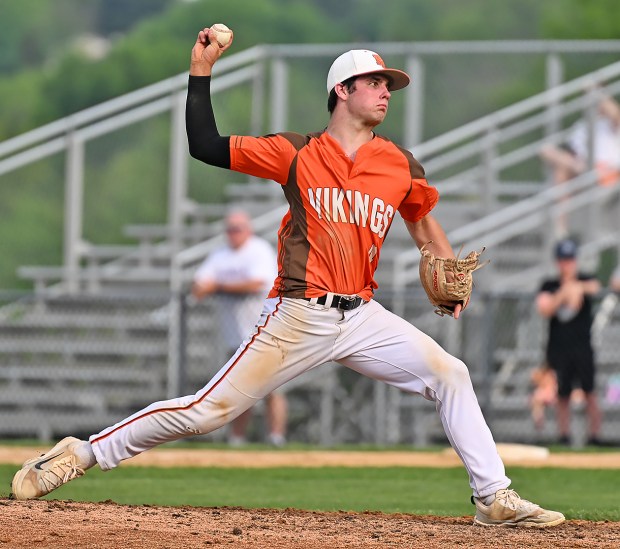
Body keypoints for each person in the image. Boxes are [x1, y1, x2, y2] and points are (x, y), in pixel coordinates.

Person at [11, 26, 566, 528]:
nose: (385, 92)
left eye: (388, 84)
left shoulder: (400, 162)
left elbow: (423, 226)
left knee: (451, 374)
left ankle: (493, 497)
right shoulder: (296, 153)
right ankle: (83, 453)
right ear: (342, 92)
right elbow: (204, 145)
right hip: (298, 313)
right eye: (374, 82)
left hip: (363, 316)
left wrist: (445, 269)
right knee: (208, 411)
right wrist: (201, 70)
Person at [191, 209, 287, 447]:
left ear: (248, 230)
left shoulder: (258, 250)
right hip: (233, 335)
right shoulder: (220, 255)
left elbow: (258, 282)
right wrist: (221, 286)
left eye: (237, 229)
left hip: (264, 332)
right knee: (239, 390)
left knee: (271, 387)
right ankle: (237, 438)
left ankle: (276, 437)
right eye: (229, 229)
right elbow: (199, 287)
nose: (233, 234)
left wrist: (220, 285)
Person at [536, 238, 602, 446]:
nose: (567, 264)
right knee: (562, 394)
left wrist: (575, 287)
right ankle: (564, 436)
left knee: (590, 392)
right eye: (563, 260)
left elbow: (595, 287)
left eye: (570, 259)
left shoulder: (585, 279)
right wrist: (564, 293)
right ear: (558, 261)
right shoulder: (550, 284)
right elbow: (545, 309)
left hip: (582, 346)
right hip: (558, 347)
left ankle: (594, 437)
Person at [540, 93, 620, 236]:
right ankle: (560, 228)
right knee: (557, 164)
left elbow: (615, 113)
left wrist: (596, 92)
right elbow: (571, 151)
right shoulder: (582, 126)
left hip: (607, 173)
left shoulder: (612, 125)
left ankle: (560, 225)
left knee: (562, 164)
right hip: (582, 171)